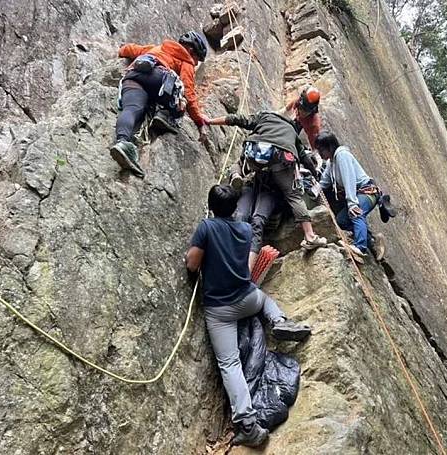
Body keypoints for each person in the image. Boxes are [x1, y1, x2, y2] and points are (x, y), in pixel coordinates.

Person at [185, 184, 311, 447]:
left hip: (220, 310)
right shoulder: (243, 229)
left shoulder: (207, 227)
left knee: (229, 363)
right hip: (247, 298)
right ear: (234, 208)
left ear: (211, 207)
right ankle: (278, 320)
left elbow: (192, 263)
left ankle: (249, 425)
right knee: (264, 299)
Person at [205, 111, 327, 270]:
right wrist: (315, 173)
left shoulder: (265, 116)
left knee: (242, 215)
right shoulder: (291, 133)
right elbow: (304, 158)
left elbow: (238, 119)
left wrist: (210, 120)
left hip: (256, 156)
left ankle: (236, 174)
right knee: (290, 198)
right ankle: (310, 235)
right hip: (277, 167)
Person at [110, 32, 209, 177]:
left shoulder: (157, 48)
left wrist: (120, 51)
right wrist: (199, 121)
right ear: (191, 50)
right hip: (160, 78)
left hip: (133, 76)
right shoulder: (186, 60)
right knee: (179, 95)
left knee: (131, 109)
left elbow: (130, 49)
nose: (195, 64)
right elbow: (188, 92)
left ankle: (122, 142)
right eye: (196, 59)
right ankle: (165, 116)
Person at [314, 131, 386, 261]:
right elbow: (324, 182)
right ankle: (373, 240)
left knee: (355, 213)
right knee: (341, 220)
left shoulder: (342, 156)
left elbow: (349, 179)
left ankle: (360, 247)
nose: (320, 153)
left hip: (367, 192)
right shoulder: (332, 163)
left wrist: (352, 203)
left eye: (321, 150)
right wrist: (312, 190)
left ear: (330, 147)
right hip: (359, 193)